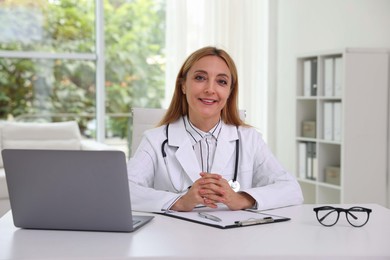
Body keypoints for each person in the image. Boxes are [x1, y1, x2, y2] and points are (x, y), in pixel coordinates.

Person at [127, 46, 303, 212]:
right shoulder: (156, 140)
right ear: (183, 85)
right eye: (200, 78)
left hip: (233, 239)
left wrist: (240, 199)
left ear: (229, 91)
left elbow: (291, 189)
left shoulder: (249, 139)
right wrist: (180, 202)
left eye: (221, 81)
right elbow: (123, 189)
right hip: (175, 238)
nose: (210, 89)